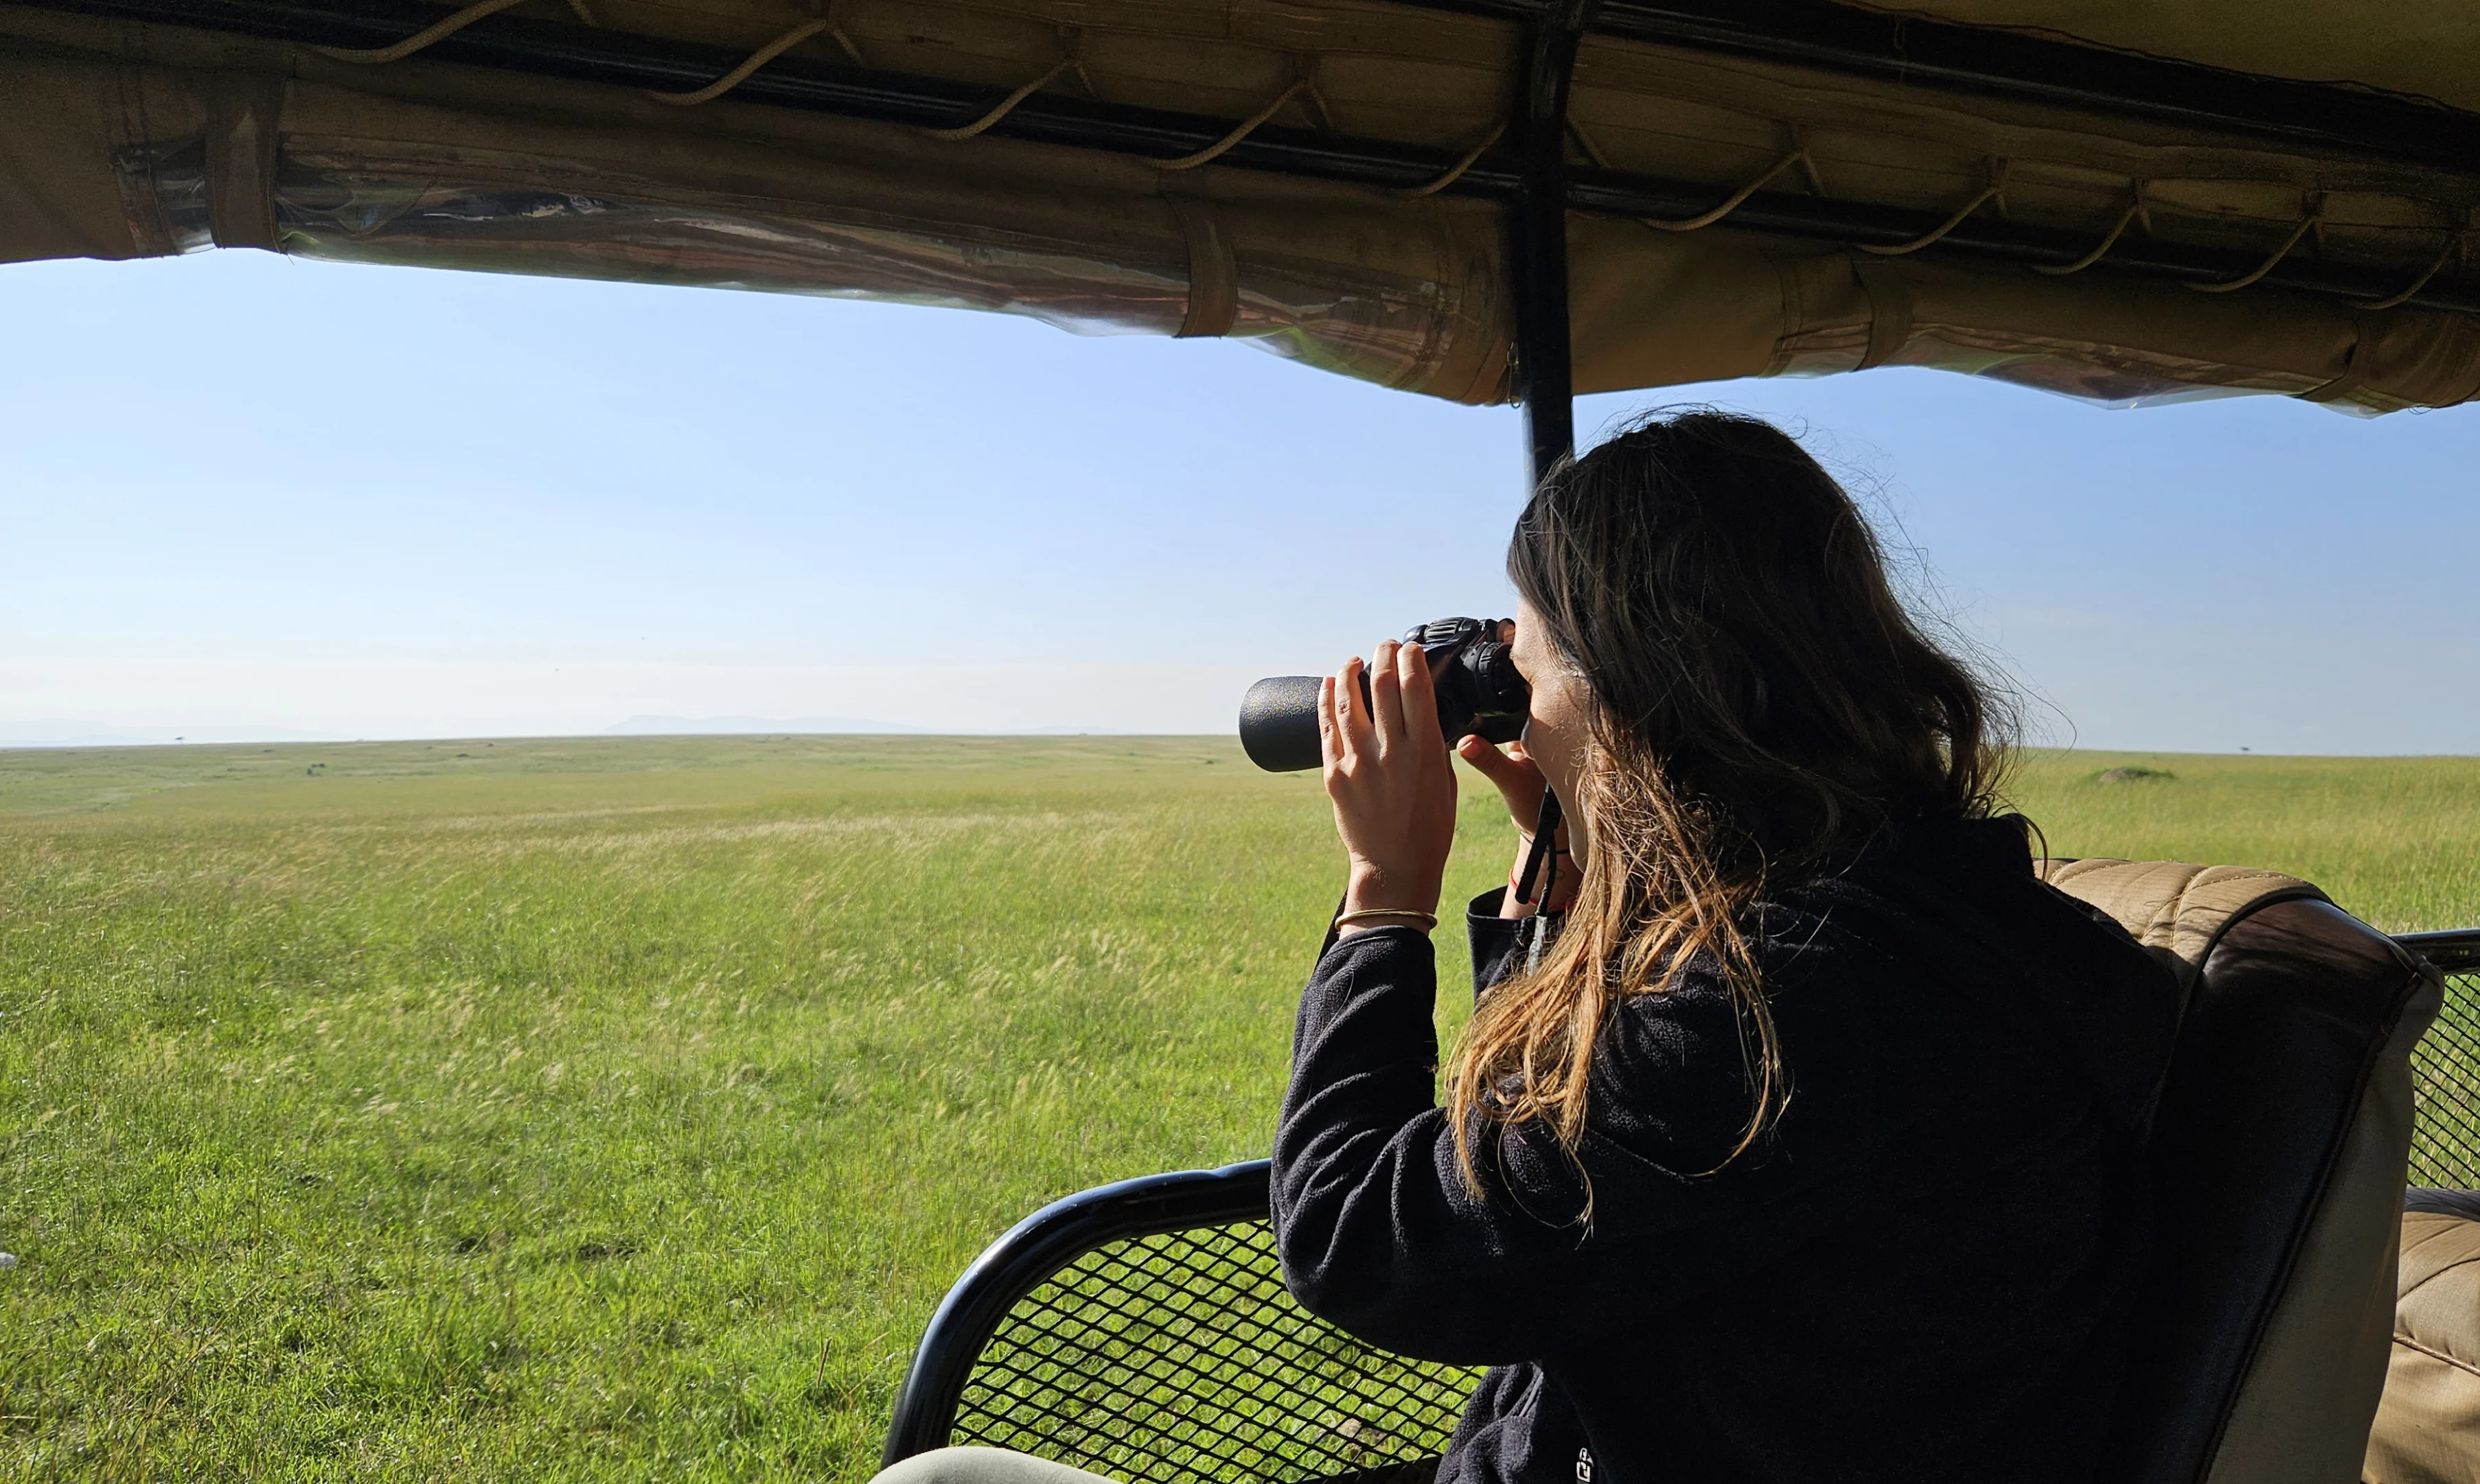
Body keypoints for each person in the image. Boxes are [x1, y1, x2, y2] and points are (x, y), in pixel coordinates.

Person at [873, 410, 2176, 1484]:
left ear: (1637, 686)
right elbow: (1559, 1181)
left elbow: (1355, 1240)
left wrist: (1384, 898)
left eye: (1533, 655)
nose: (1522, 698)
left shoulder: (1775, 1013)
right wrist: (1564, 875)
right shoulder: (1941, 933)